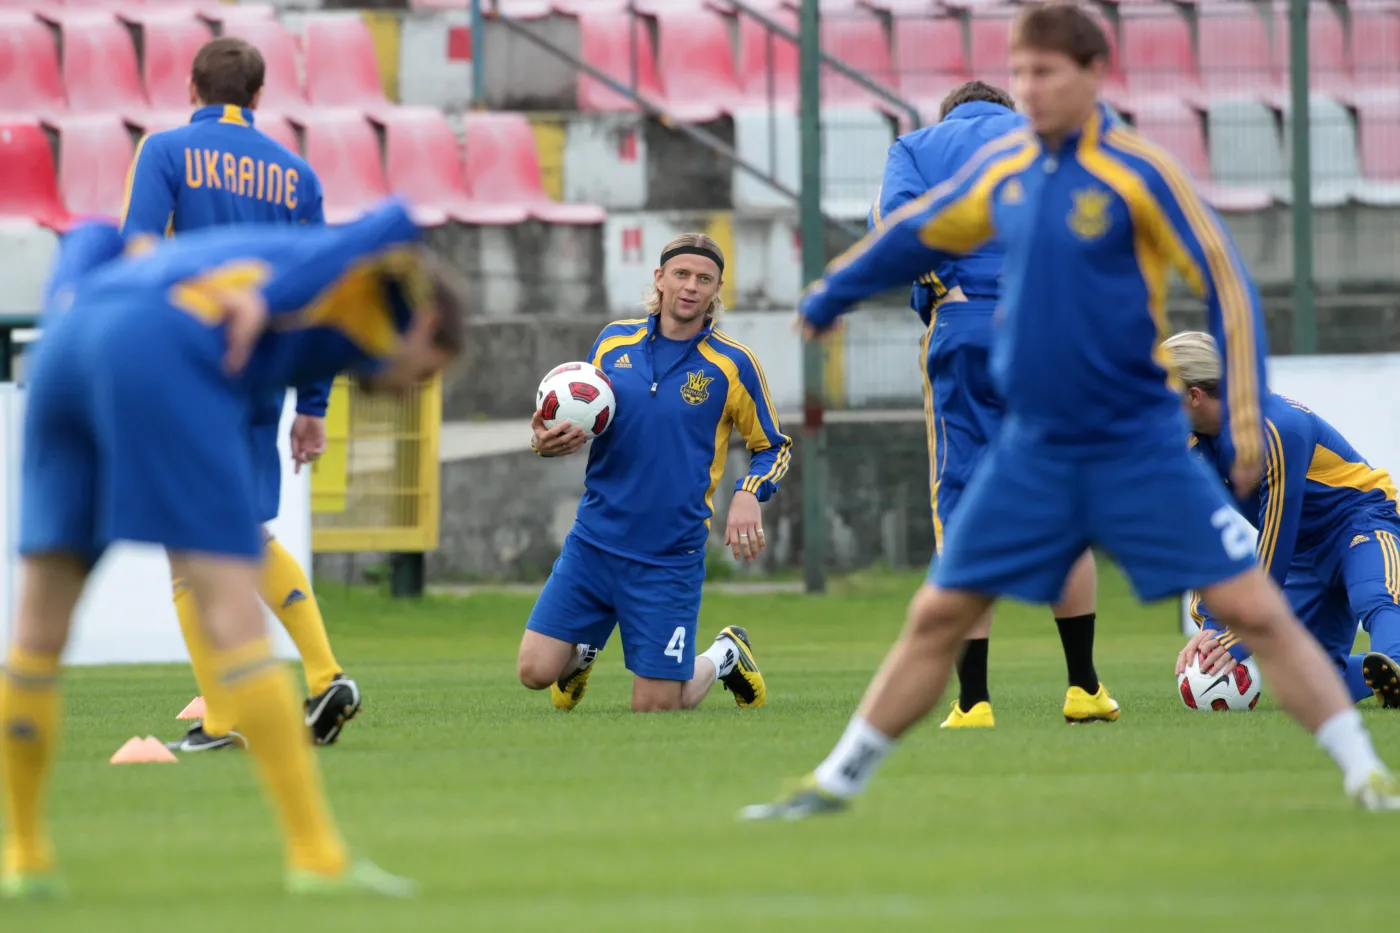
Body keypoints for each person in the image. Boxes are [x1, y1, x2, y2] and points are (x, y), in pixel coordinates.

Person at [742, 1, 1400, 820]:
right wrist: (833, 290)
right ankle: (834, 782)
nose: (1031, 87)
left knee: (1254, 610)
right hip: (1036, 449)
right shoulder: (1008, 171)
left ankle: (1365, 772)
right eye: (1021, 73)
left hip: (1136, 444)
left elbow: (1226, 281)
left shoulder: (1137, 171)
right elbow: (916, 231)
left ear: (1093, 75)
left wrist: (1239, 408)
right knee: (938, 612)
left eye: (1045, 72)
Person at [1, 199, 464, 898]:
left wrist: (69, 299)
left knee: (37, 629)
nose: (410, 390)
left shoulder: (248, 270)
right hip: (164, 347)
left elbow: (92, 229)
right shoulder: (382, 289)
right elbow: (398, 217)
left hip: (69, 338)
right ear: (429, 325)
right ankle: (317, 857)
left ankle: (25, 859)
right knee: (234, 616)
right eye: (427, 372)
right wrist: (264, 299)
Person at [119, 36, 359, 751]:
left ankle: (226, 718)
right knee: (238, 532)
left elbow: (138, 254)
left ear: (193, 86)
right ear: (258, 98)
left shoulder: (163, 153)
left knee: (188, 542)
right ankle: (322, 673)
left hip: (189, 368)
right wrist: (313, 404)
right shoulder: (297, 174)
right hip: (263, 375)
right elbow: (323, 295)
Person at [871, 79, 1115, 728]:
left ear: (947, 113)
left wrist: (943, 285)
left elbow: (898, 222)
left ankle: (974, 700)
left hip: (967, 329)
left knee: (965, 506)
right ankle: (1083, 686)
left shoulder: (916, 147)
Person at [519, 234, 788, 713]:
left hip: (668, 557)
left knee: (657, 709)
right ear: (659, 279)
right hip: (594, 543)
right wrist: (542, 442)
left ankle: (726, 653)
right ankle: (582, 652)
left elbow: (773, 447)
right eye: (680, 274)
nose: (690, 287)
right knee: (534, 674)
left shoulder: (733, 363)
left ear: (717, 289)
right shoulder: (612, 341)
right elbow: (576, 417)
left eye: (703, 279)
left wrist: (750, 492)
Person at [1164, 331, 1400, 707]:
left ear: (1194, 396)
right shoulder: (1186, 446)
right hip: (1305, 554)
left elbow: (1277, 535)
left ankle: (1396, 662)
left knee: (1375, 594)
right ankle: (1389, 678)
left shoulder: (1277, 429)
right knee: (1310, 686)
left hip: (1361, 519)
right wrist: (1213, 626)